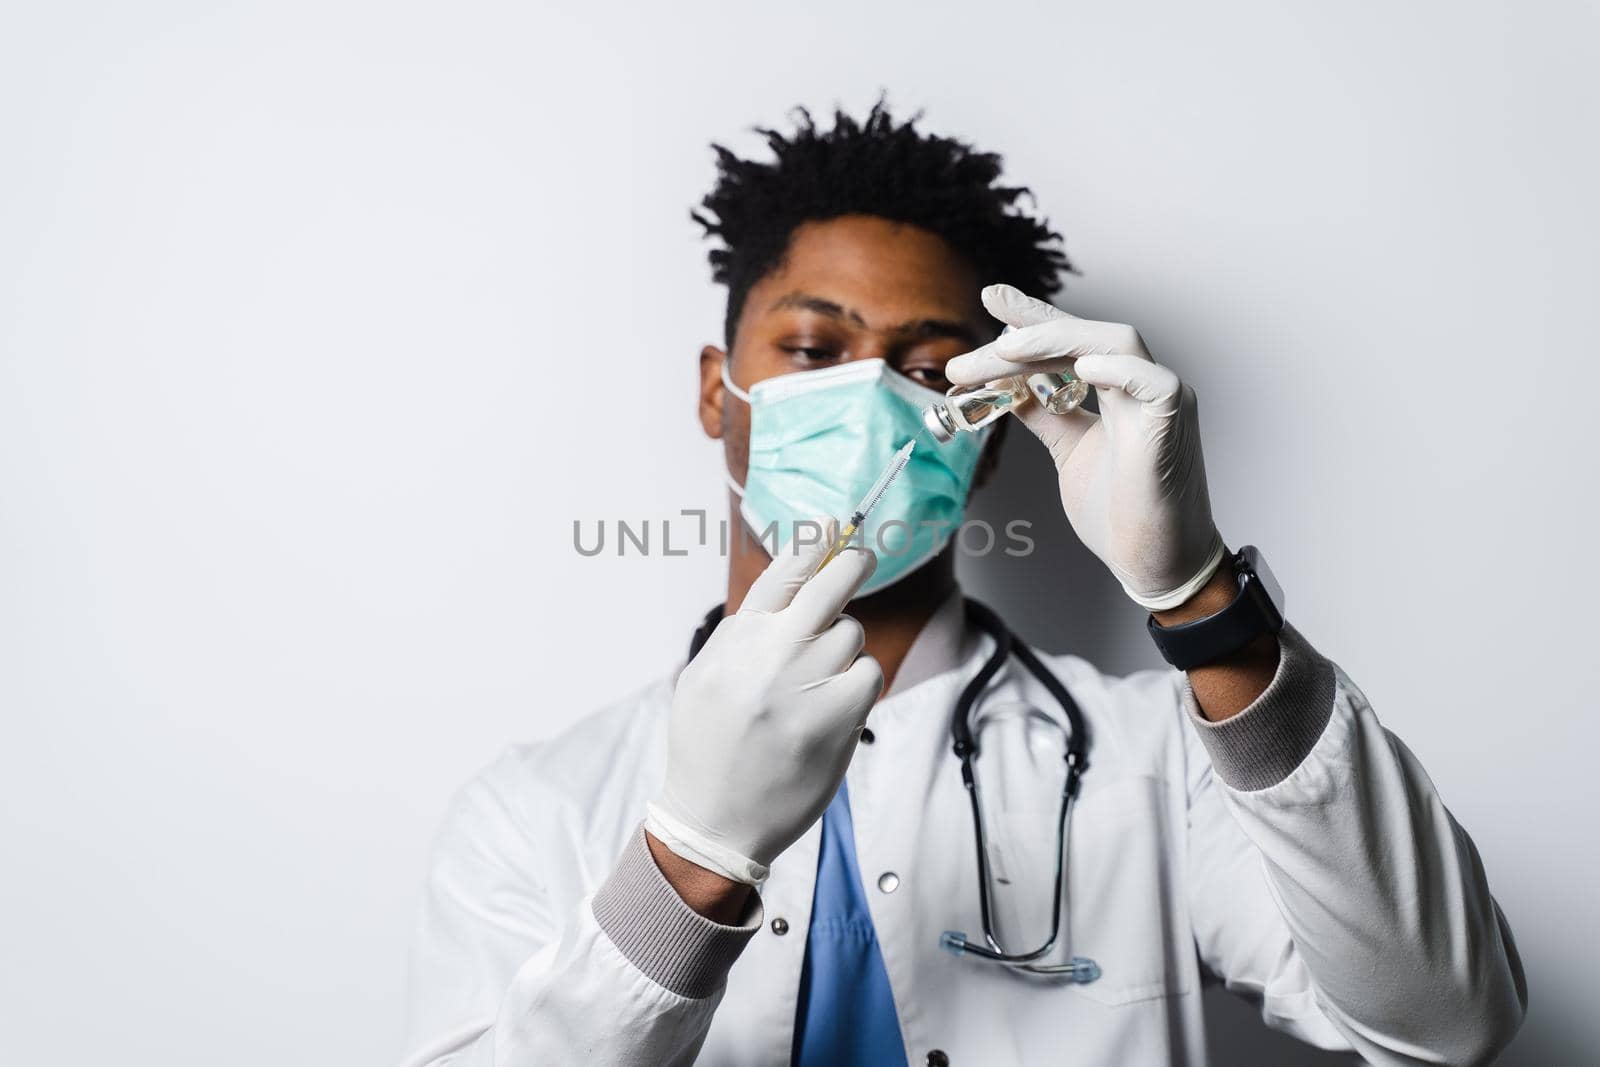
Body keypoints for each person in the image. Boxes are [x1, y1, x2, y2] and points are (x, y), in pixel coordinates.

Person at [398, 102, 1526, 1067]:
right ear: (717, 389)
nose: (872, 397)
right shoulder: (534, 809)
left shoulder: (1162, 762)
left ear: (986, 438)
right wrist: (689, 856)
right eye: (809, 346)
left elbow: (1446, 1020)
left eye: (931, 371)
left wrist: (1196, 595)